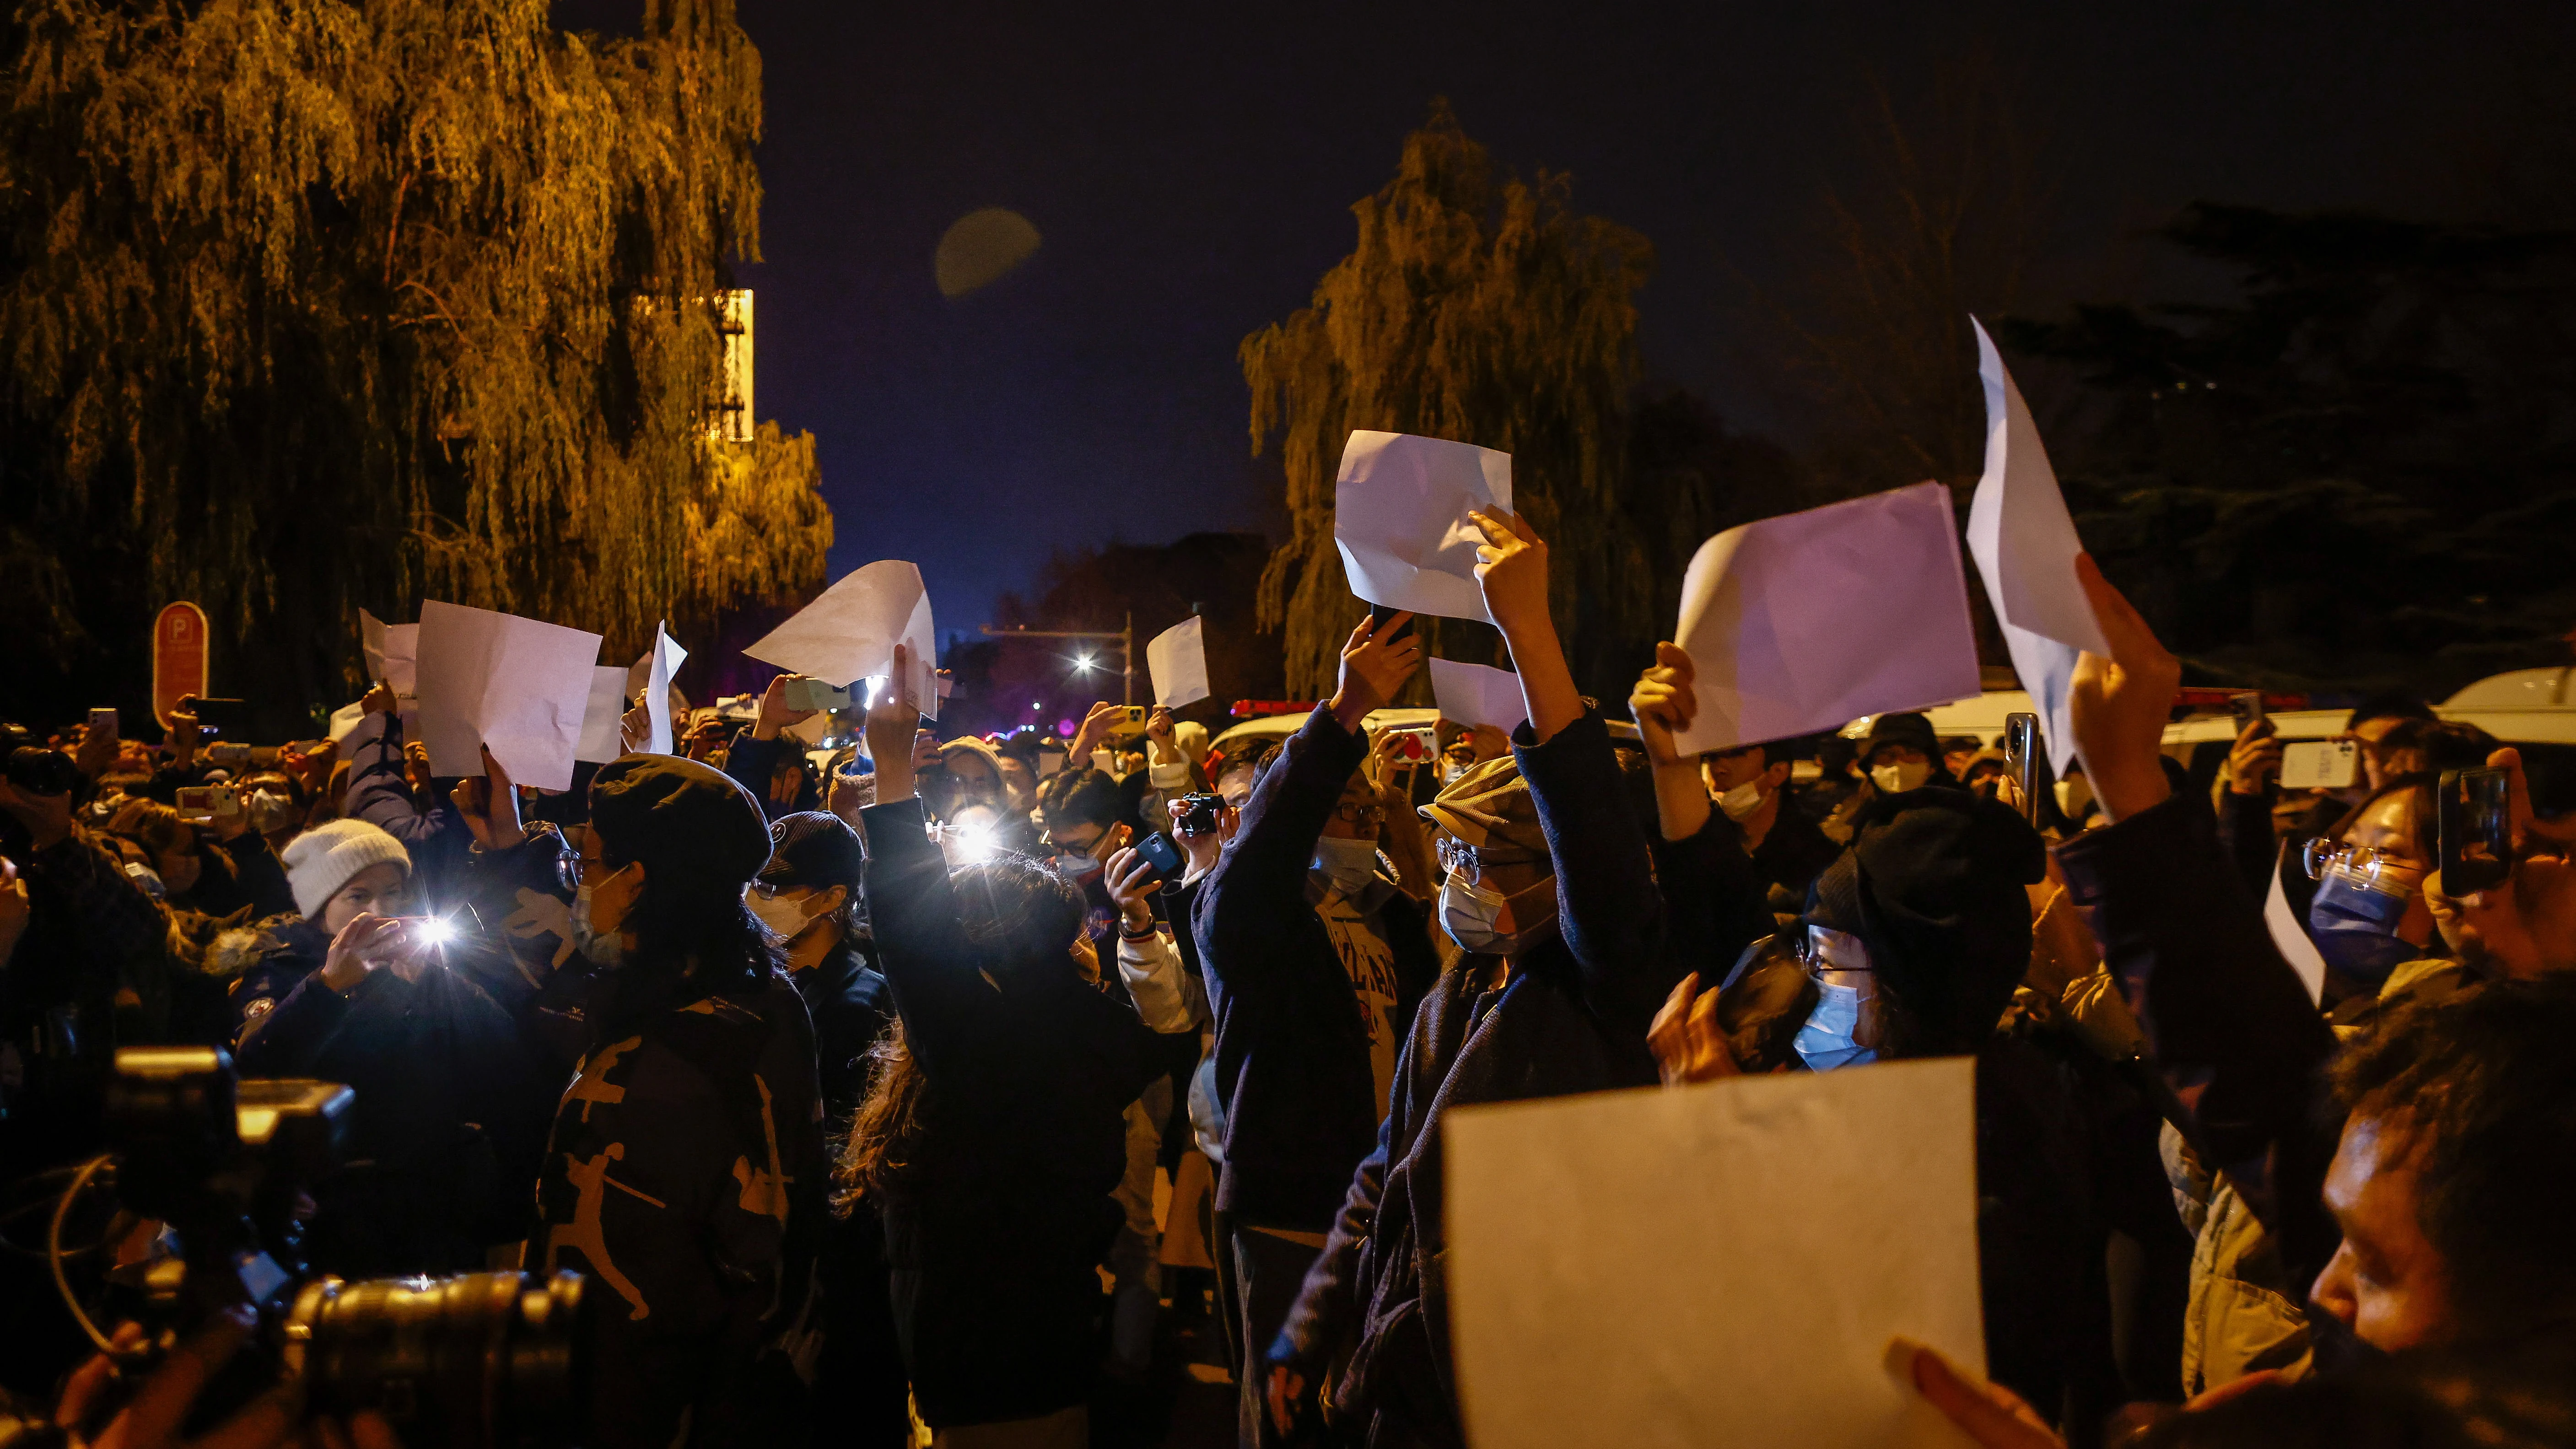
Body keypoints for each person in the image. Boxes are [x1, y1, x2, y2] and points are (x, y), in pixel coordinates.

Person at [1265, 508, 1683, 1449]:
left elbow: (1597, 850)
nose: (1456, 875)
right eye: (1449, 851)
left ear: (1549, 874)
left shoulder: (1602, 981)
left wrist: (1527, 633)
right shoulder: (1459, 986)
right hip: (1405, 1376)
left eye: (1482, 856)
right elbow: (1385, 1174)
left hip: (1528, 1382)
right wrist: (1309, 1326)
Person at [838, 645, 1188, 1446]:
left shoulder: (989, 1050)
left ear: (981, 955)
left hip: (986, 1356)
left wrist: (893, 776)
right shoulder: (1082, 1030)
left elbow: (912, 942)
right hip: (1046, 1340)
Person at [469, 749, 825, 1449]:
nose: (579, 885)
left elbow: (632, 1328)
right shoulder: (759, 992)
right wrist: (514, 852)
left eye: (588, 866)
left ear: (634, 881)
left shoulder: (654, 1075)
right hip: (756, 1388)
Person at [1190, 617, 1442, 1443]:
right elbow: (1262, 849)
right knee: (1288, 1410)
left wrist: (1420, 870)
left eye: (1369, 803)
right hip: (1292, 1206)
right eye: (1340, 803)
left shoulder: (1394, 920)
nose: (1361, 816)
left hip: (1378, 1209)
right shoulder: (1252, 917)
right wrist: (1346, 710)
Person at [220, 812, 548, 1277]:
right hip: (332, 1216)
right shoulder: (282, 970)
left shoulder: (414, 967)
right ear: (319, 906)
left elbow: (502, 1060)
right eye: (358, 895)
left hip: (428, 1204)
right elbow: (253, 1066)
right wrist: (328, 987)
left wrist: (436, 980)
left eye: (393, 891)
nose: (380, 908)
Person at [100, 795, 295, 919]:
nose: (194, 861)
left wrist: (240, 837)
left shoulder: (210, 889)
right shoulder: (134, 919)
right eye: (183, 851)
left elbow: (278, 914)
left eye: (195, 849)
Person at [1700, 737, 1837, 910]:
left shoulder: (1815, 859)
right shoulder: (1710, 845)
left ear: (1778, 772)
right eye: (1712, 758)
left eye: (1736, 754)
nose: (1718, 769)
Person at [727, 674, 825, 821]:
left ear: (794, 777)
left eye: (767, 776)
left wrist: (768, 725)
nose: (762, 787)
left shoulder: (821, 825)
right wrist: (767, 725)